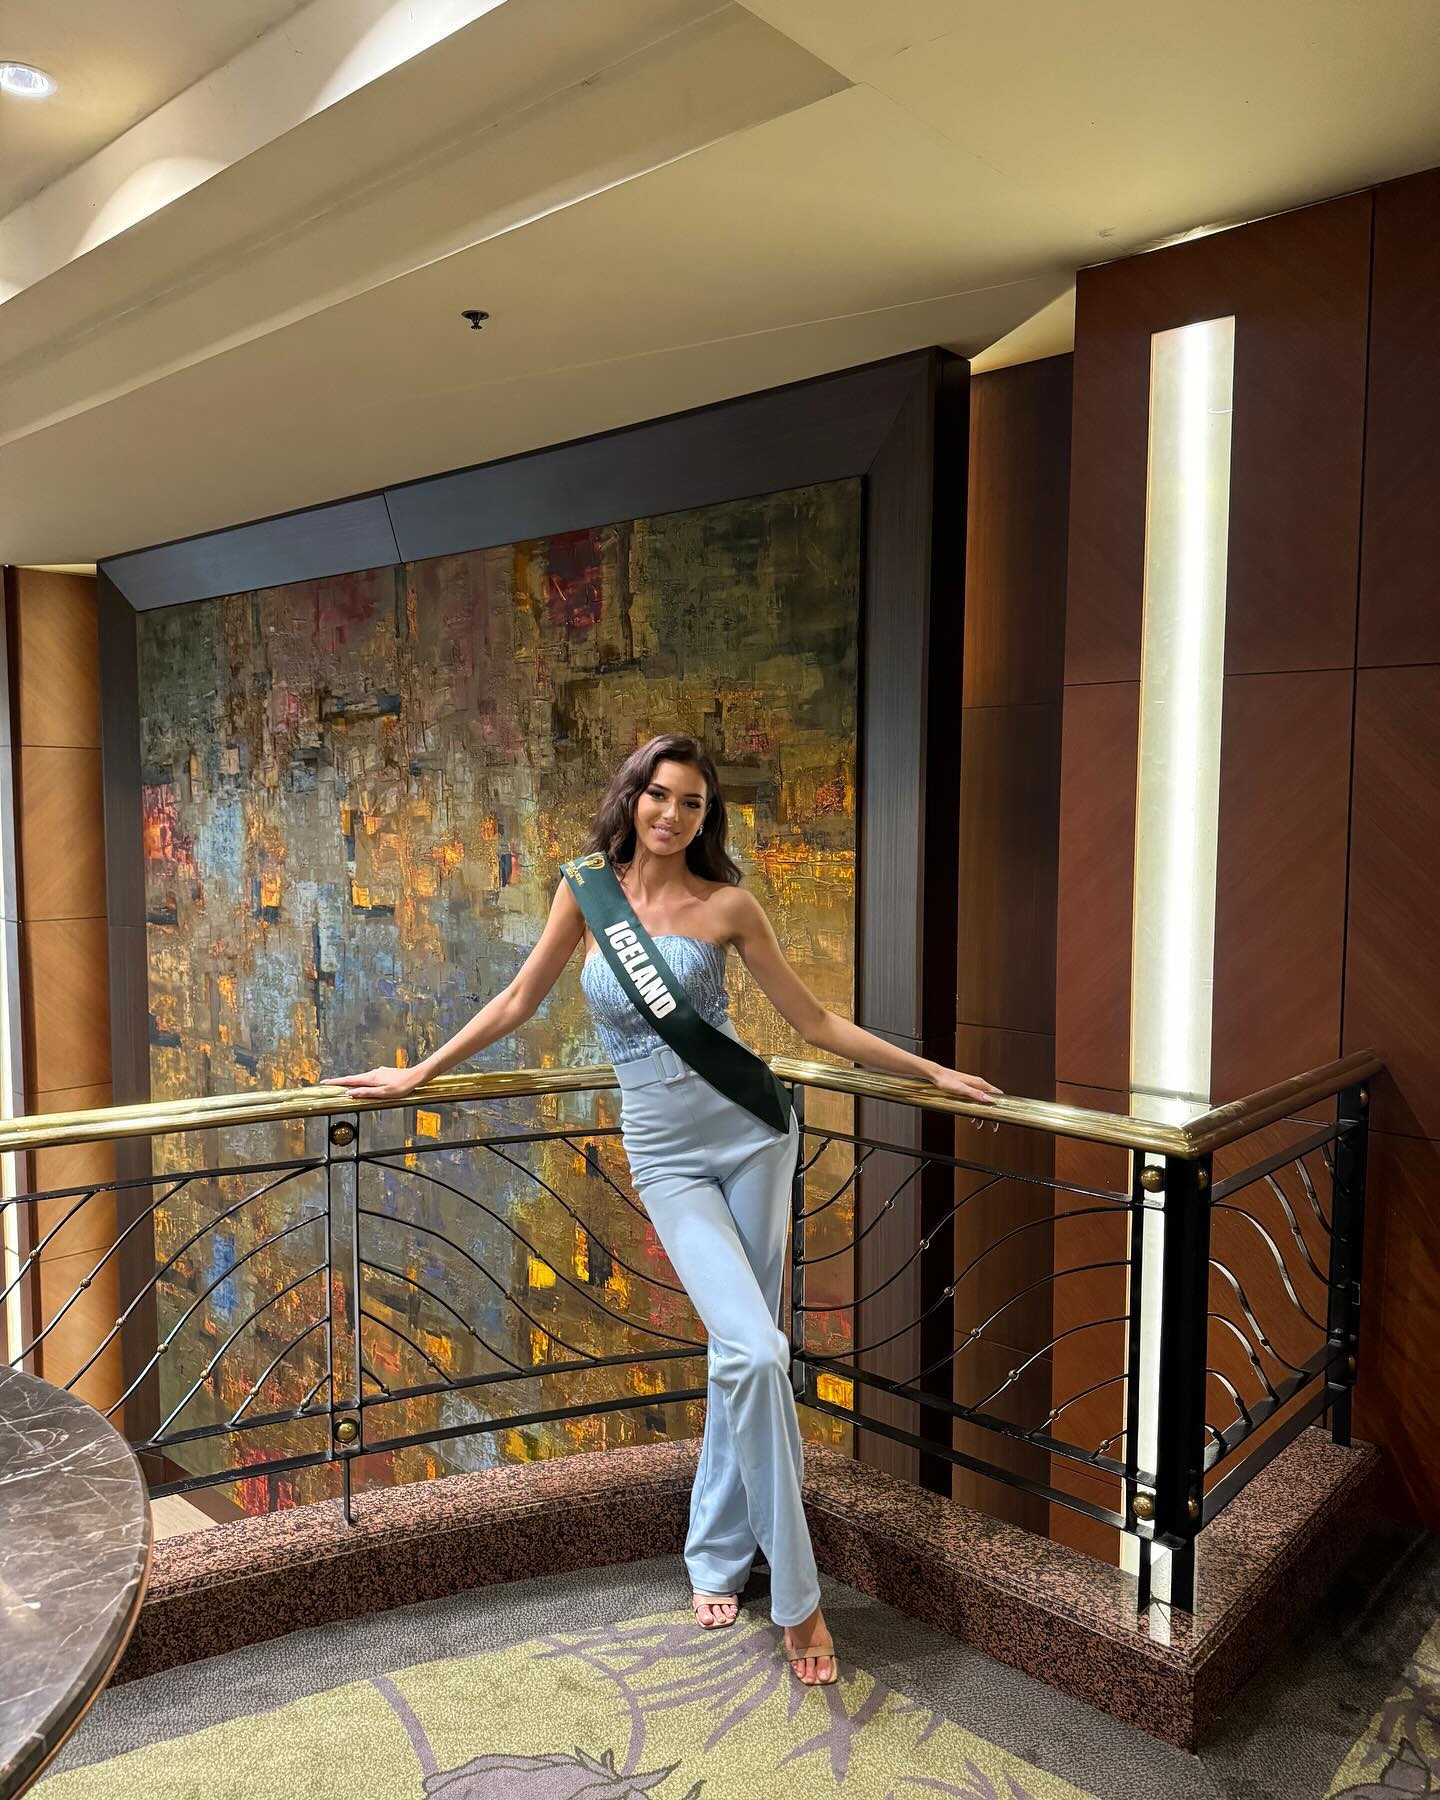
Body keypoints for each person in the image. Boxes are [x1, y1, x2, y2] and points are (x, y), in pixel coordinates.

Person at [330, 731, 1003, 1686]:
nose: (672, 814)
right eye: (659, 794)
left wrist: (930, 1071)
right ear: (632, 797)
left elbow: (814, 1023)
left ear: (704, 816)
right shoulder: (584, 891)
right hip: (666, 1156)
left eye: (691, 802)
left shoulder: (727, 905)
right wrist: (419, 1075)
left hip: (755, 1134)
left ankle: (718, 1553)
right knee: (757, 1350)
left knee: (743, 1352)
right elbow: (519, 999)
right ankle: (801, 1600)